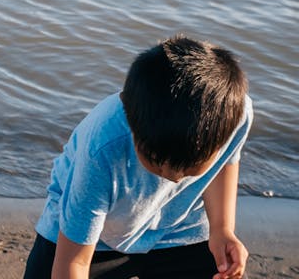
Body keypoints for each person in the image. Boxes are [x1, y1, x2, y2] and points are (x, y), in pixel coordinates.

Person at [23, 36, 253, 279]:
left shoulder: (234, 114)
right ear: (132, 128)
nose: (172, 177)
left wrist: (222, 229)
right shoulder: (103, 146)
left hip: (179, 229)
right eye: (155, 161)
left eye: (187, 169)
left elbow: (227, 161)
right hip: (94, 235)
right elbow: (74, 262)